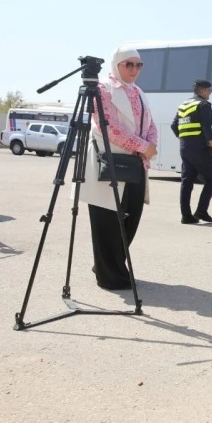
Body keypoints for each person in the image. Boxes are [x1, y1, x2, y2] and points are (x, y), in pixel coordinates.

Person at [81, 47, 158, 290]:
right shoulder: (103, 89)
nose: (134, 70)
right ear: (117, 65)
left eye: (138, 65)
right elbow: (108, 128)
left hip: (135, 163)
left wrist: (151, 145)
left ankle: (109, 265)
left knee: (130, 218)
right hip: (110, 161)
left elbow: (151, 124)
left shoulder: (138, 91)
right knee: (107, 221)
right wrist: (143, 146)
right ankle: (109, 275)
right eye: (129, 64)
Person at [170, 80, 212, 224]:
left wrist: (185, 139)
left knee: (187, 181)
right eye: (209, 90)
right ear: (202, 91)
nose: (210, 93)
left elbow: (174, 126)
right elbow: (207, 129)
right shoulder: (203, 105)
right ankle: (201, 211)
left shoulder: (183, 105)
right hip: (201, 149)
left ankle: (186, 216)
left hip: (185, 148)